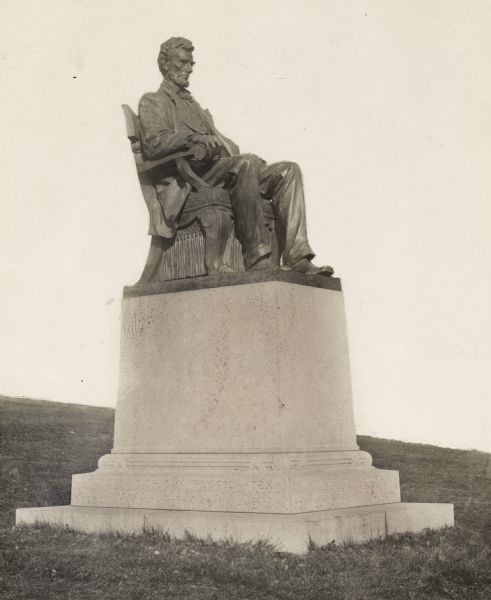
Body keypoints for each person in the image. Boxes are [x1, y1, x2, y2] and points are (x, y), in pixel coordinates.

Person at [138, 37, 333, 275]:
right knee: (246, 164)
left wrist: (222, 144)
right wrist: (193, 140)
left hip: (216, 168)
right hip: (188, 179)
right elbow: (154, 143)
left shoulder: (195, 106)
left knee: (288, 170)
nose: (189, 68)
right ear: (166, 64)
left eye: (191, 63)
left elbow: (227, 146)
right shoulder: (153, 101)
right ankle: (257, 257)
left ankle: (297, 256)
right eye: (183, 62)